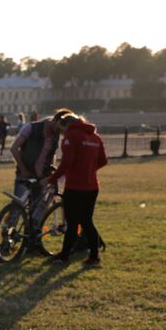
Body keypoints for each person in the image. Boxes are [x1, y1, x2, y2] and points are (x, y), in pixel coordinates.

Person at [49, 113, 108, 265]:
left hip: (75, 186)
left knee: (73, 223)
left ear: (66, 125)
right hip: (92, 186)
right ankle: (94, 257)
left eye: (61, 130)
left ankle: (64, 256)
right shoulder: (95, 137)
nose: (61, 134)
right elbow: (103, 161)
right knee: (87, 221)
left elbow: (66, 162)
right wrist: (88, 169)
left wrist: (52, 178)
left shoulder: (71, 136)